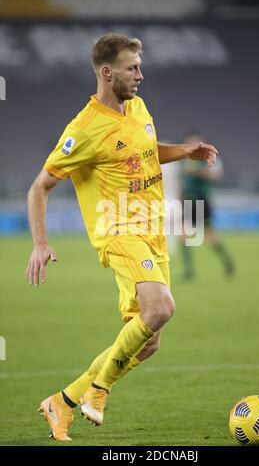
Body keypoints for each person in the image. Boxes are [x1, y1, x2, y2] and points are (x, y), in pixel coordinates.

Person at [25, 33, 218, 441]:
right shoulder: (84, 128)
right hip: (118, 229)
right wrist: (41, 243)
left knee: (147, 343)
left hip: (153, 230)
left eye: (140, 66)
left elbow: (144, 152)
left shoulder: (138, 107)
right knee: (162, 307)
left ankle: (62, 402)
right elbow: (39, 186)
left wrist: (183, 152)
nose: (140, 75)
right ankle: (99, 389)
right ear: (107, 72)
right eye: (132, 68)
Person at [180, 132, 234, 280]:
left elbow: (216, 176)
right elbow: (183, 181)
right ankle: (189, 271)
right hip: (189, 201)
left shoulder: (209, 158)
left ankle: (225, 260)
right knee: (184, 235)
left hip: (202, 201)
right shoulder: (185, 160)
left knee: (207, 236)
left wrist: (197, 171)